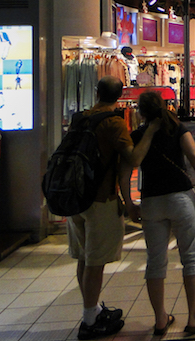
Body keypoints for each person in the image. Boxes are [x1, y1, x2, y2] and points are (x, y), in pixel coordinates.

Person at [67, 76, 154, 340]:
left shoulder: (80, 118)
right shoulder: (113, 123)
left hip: (76, 197)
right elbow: (133, 158)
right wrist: (150, 131)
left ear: (96, 92)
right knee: (95, 263)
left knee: (84, 258)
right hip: (100, 199)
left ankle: (92, 310)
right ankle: (89, 321)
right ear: (120, 95)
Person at [123, 90, 195, 337]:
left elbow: (126, 171)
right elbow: (194, 155)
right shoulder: (177, 128)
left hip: (152, 201)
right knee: (191, 257)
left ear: (141, 112)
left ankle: (160, 320)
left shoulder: (137, 136)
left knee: (155, 261)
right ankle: (194, 318)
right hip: (181, 198)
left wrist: (129, 204)